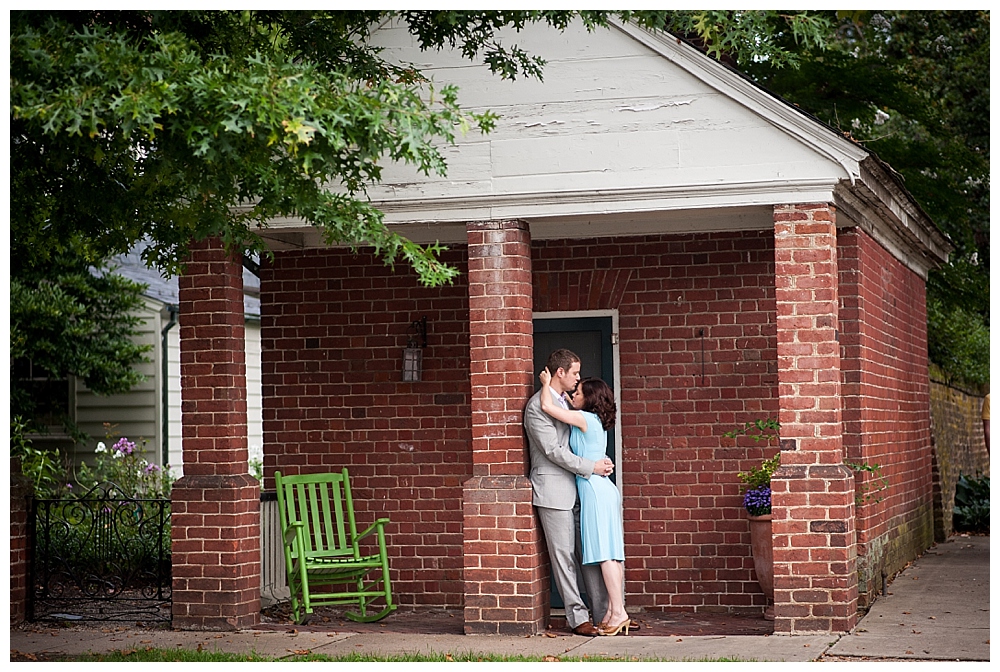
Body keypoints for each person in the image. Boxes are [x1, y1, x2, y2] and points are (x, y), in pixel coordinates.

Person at [524, 349, 614, 637]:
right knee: (564, 557)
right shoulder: (537, 407)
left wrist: (596, 463)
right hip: (553, 490)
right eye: (574, 372)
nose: (578, 379)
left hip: (580, 489)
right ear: (560, 373)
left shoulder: (566, 403)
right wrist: (592, 466)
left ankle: (605, 614)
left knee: (589, 554)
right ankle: (578, 618)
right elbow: (553, 451)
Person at [538, 369, 630, 636]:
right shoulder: (593, 419)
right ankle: (614, 610)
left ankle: (619, 610)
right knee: (611, 553)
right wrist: (563, 391)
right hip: (603, 488)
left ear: (588, 399)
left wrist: (545, 383)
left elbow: (547, 405)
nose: (571, 395)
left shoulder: (583, 419)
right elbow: (565, 400)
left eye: (577, 393)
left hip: (595, 491)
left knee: (604, 555)